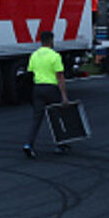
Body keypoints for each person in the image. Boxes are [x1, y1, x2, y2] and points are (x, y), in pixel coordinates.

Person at [23, 30, 69, 158]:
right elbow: (60, 76)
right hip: (51, 89)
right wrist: (64, 96)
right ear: (51, 40)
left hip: (37, 89)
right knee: (56, 116)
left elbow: (30, 73)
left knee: (37, 118)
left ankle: (29, 144)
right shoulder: (55, 56)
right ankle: (60, 144)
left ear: (41, 41)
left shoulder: (34, 55)